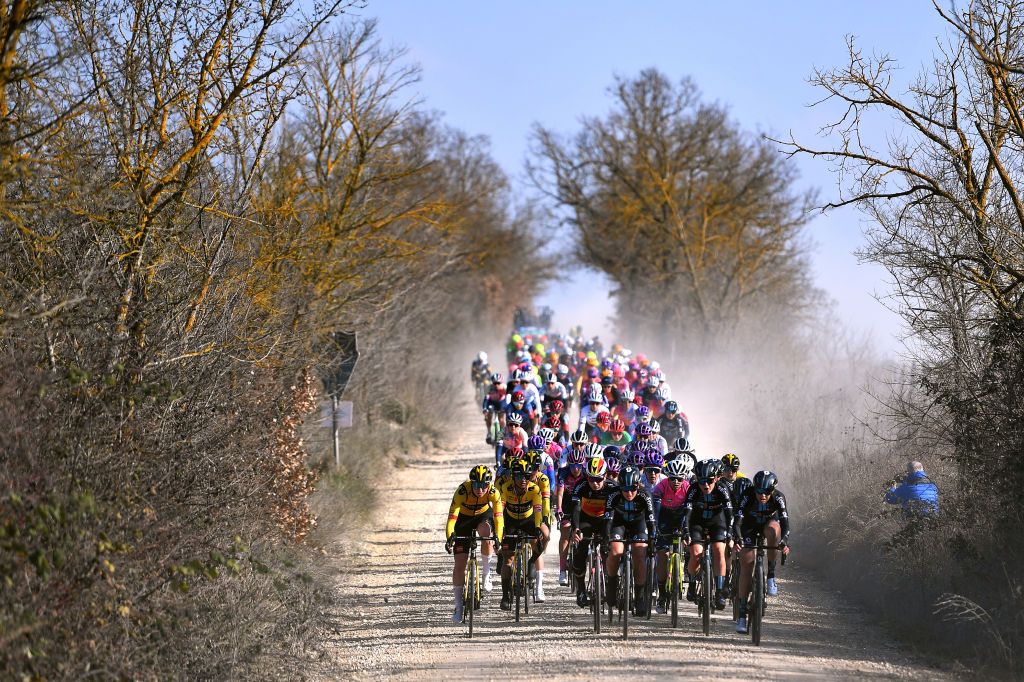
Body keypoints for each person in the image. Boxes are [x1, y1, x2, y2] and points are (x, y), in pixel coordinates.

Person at [733, 470, 790, 634]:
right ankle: (742, 614)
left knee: (774, 530)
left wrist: (784, 542)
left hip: (767, 523)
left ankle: (771, 576)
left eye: (766, 492)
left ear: (772, 491)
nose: (762, 495)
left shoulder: (779, 497)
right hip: (749, 526)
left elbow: (785, 523)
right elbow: (737, 521)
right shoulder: (747, 495)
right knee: (747, 564)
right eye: (759, 491)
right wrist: (738, 538)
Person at [445, 466, 504, 623]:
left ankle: (486, 573)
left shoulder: (493, 492)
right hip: (463, 519)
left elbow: (499, 519)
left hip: (482, 516)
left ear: (489, 484)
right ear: (472, 483)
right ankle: (458, 605)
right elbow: (452, 518)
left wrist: (498, 537)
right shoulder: (462, 491)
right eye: (477, 485)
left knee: (486, 534)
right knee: (459, 565)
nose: (480, 489)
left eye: (484, 485)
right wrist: (450, 536)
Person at [604, 464, 657, 616]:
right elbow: (607, 520)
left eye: (633, 489)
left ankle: (640, 597)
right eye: (625, 489)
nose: (629, 493)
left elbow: (651, 521)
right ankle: (612, 585)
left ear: (638, 485)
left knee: (639, 554)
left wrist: (652, 540)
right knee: (615, 552)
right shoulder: (613, 495)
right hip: (618, 524)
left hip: (638, 524)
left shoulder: (645, 495)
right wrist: (605, 540)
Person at [683, 459, 733, 611]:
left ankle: (719, 591)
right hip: (697, 523)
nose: (705, 485)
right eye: (702, 481)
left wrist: (731, 533)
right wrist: (685, 531)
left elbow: (730, 513)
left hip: (717, 523)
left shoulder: (722, 489)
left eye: (710, 481)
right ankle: (691, 583)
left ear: (716, 478)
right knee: (696, 553)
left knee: (719, 550)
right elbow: (687, 514)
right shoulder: (692, 490)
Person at [569, 457, 619, 606]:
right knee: (580, 553)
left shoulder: (613, 487)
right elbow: (576, 509)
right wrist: (575, 528)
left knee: (609, 550)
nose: (595, 483)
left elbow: (618, 512)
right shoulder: (581, 486)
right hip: (586, 520)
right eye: (591, 479)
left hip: (606, 521)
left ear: (605, 476)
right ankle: (581, 590)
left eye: (598, 479)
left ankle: (612, 585)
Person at [497, 459, 545, 611]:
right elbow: (500, 510)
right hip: (510, 520)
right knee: (507, 560)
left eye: (526, 476)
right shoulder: (506, 488)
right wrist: (500, 530)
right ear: (513, 477)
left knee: (541, 540)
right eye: (519, 477)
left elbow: (538, 510)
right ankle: (505, 595)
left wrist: (537, 528)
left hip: (528, 519)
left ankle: (531, 562)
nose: (523, 480)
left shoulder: (535, 489)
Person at [652, 457, 690, 613]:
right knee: (662, 554)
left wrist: (687, 529)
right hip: (664, 518)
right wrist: (655, 528)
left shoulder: (688, 488)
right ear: (668, 477)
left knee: (690, 542)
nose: (676, 482)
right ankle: (662, 594)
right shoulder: (660, 487)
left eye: (679, 479)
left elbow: (690, 512)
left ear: (684, 478)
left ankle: (687, 570)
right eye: (673, 478)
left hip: (681, 518)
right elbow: (655, 511)